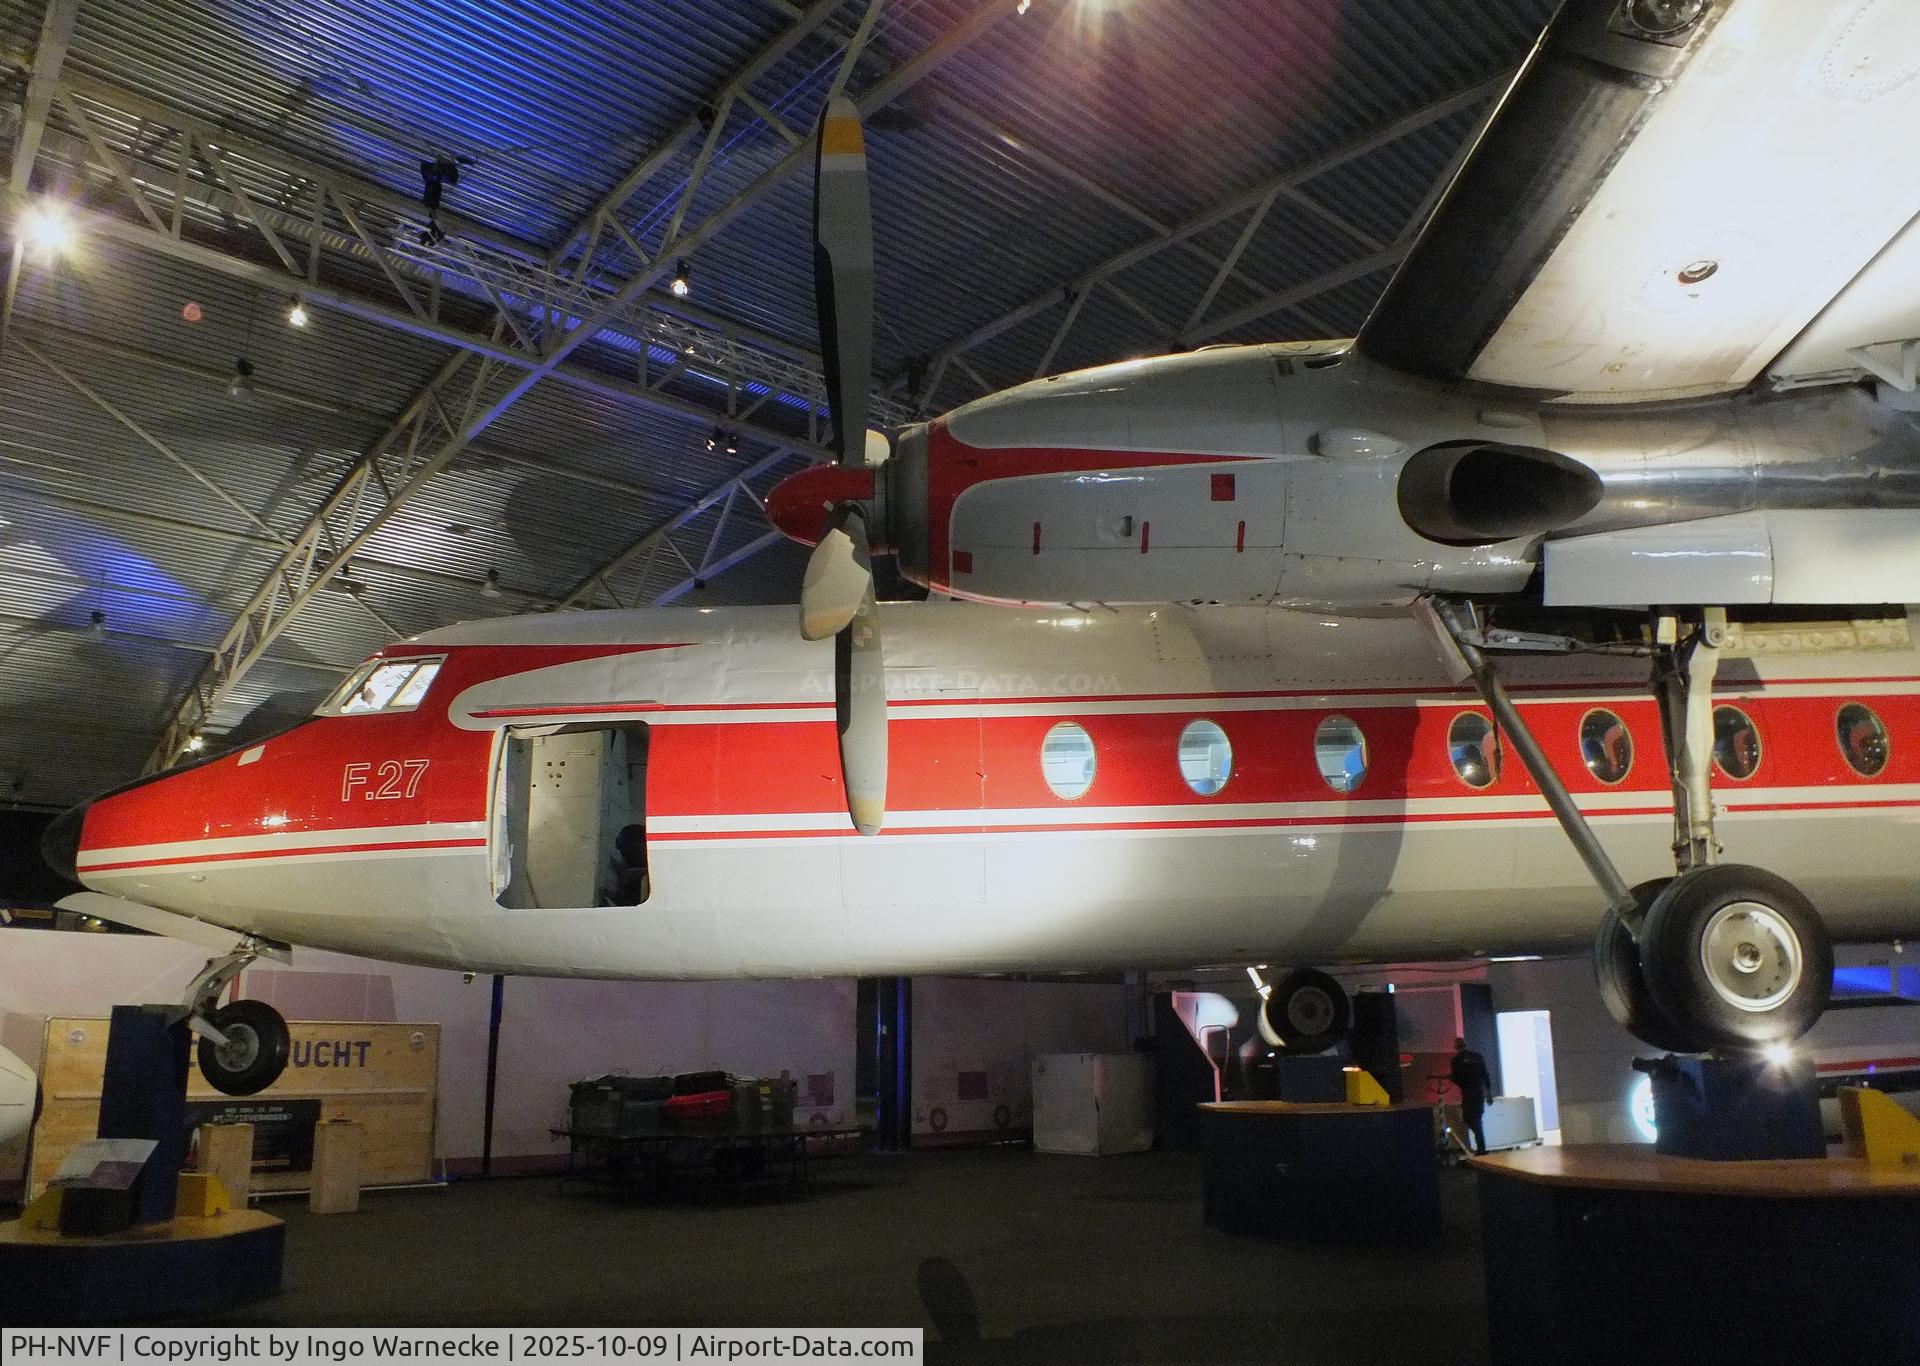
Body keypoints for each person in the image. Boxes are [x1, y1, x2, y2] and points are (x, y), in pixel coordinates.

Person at [1449, 1035, 1493, 1155]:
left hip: (1467, 1094)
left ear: (1455, 1047)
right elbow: (1485, 1075)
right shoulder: (1477, 1057)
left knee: (1469, 1119)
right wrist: (1488, 1093)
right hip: (1478, 1093)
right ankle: (1481, 1148)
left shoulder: (1456, 1060)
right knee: (1477, 1119)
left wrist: (1453, 1079)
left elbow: (1457, 1079)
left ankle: (1481, 1148)